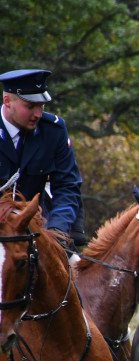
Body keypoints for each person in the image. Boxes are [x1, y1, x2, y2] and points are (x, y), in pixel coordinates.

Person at [0, 68, 86, 248]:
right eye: (30, 106)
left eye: (41, 106)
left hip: (39, 229)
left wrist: (57, 231)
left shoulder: (53, 131)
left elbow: (67, 186)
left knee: (76, 264)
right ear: (7, 101)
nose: (38, 114)